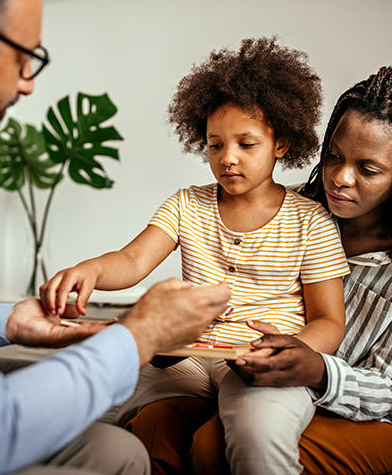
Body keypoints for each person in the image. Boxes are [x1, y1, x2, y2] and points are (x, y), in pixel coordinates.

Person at [0, 0, 232, 474]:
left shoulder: (304, 219)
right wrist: (141, 333)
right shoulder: (190, 203)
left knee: (115, 449)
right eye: (25, 59)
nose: (28, 83)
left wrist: (5, 321)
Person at [40, 38, 350, 475]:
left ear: (280, 144)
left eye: (246, 144)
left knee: (258, 440)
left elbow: (330, 321)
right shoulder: (187, 204)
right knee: (125, 422)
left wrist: (291, 352)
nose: (228, 159)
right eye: (215, 144)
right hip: (187, 359)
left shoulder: (310, 221)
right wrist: (89, 269)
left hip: (259, 364)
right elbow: (131, 261)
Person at [125, 66, 392, 475]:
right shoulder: (289, 208)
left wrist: (319, 371)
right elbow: (136, 261)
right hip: (247, 374)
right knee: (152, 431)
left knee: (213, 449)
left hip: (362, 409)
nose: (340, 177)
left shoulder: (312, 227)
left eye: (368, 169)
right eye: (333, 156)